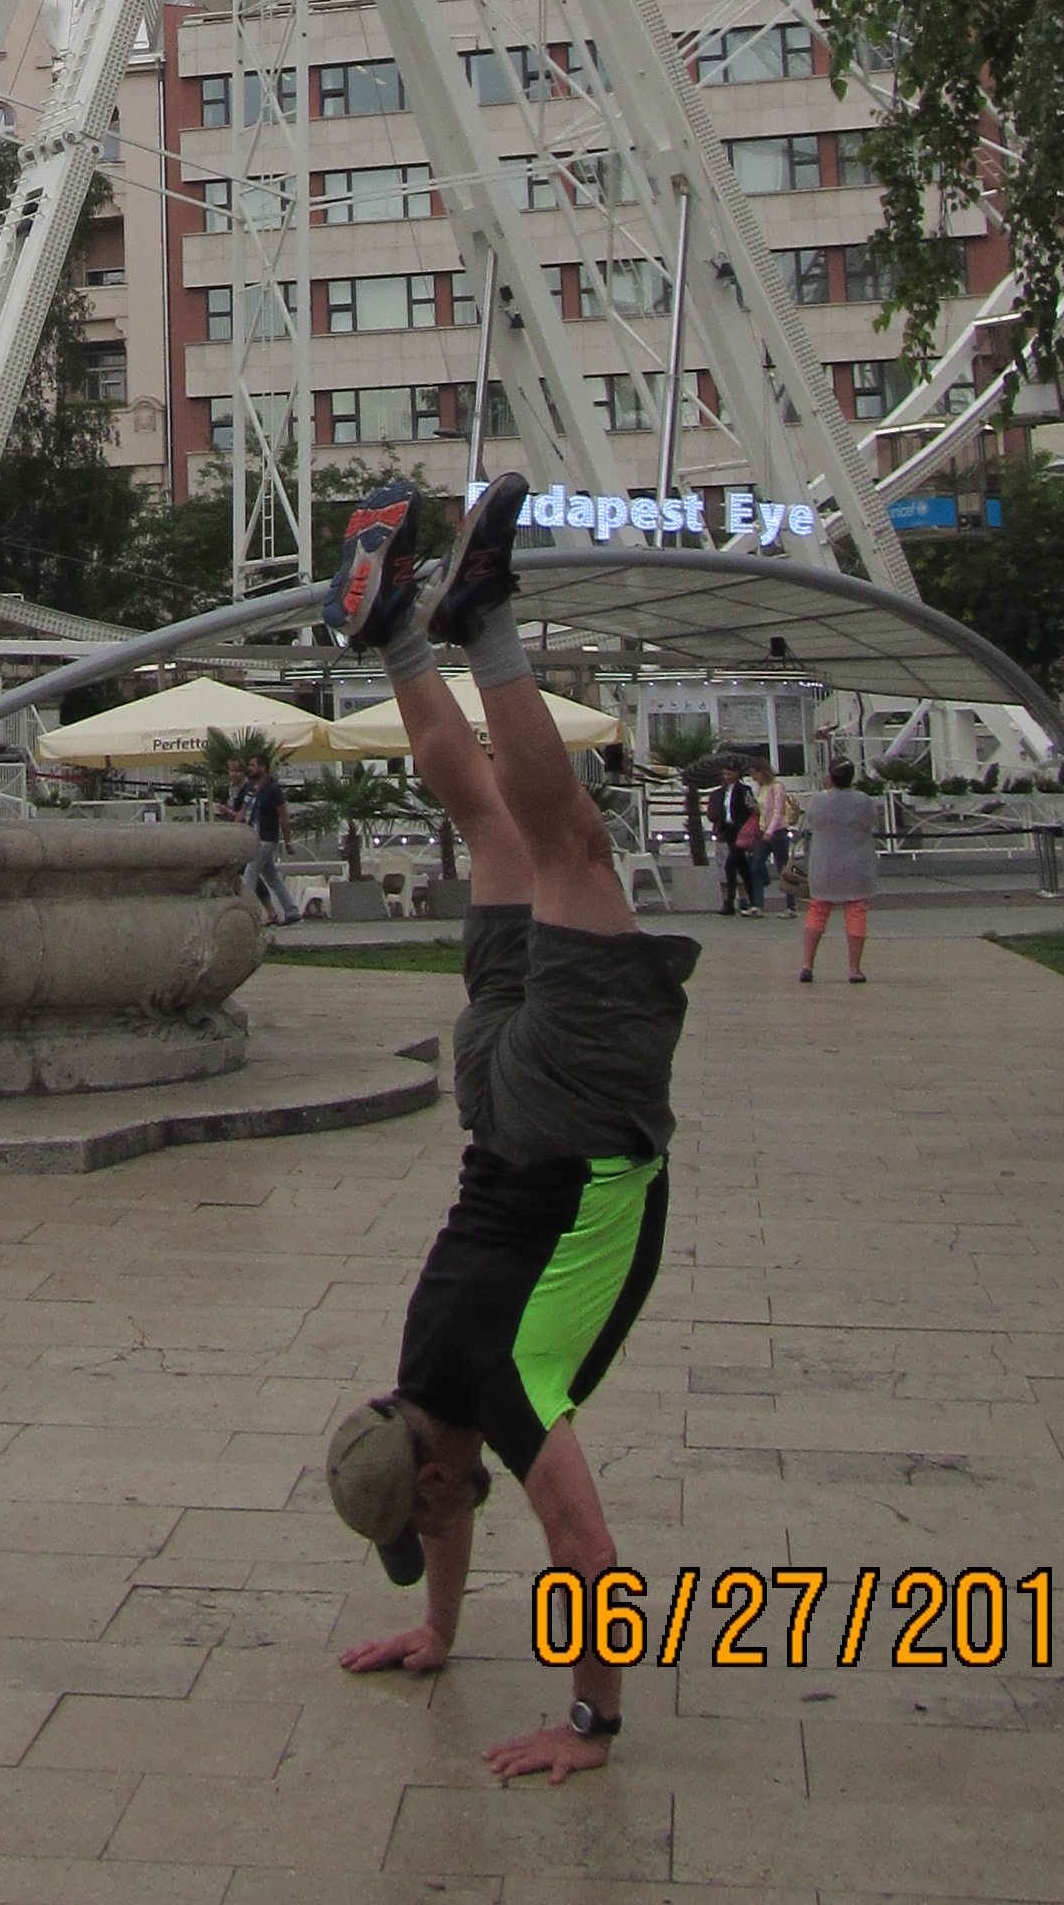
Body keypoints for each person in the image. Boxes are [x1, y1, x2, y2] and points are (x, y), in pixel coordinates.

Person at [320, 474, 699, 1785]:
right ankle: (398, 638)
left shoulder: (504, 1393)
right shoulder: (421, 1365)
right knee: (486, 818)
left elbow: (585, 1552)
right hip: (487, 1097)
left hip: (576, 1122)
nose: (433, 1522)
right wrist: (435, 1633)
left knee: (571, 849)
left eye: (421, 1516)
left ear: (433, 1478)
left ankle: (482, 625)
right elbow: (450, 1498)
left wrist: (590, 1723)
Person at [797, 755, 877, 981]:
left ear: (830, 776)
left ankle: (807, 964)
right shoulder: (863, 801)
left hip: (824, 864)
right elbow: (871, 823)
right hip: (857, 865)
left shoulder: (819, 801)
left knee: (818, 910)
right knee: (856, 912)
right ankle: (854, 969)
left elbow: (811, 822)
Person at [246, 754, 300, 924]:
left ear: (263, 767)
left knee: (250, 874)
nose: (249, 769)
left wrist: (288, 840)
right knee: (272, 877)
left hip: (266, 839)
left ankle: (246, 912)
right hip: (256, 837)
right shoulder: (254, 789)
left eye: (253, 765)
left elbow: (283, 816)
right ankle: (292, 910)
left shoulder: (272, 789)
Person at [715, 766, 764, 915]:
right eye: (724, 774)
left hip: (741, 831)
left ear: (737, 774)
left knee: (730, 865)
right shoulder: (723, 791)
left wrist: (744, 823)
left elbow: (752, 808)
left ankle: (730, 902)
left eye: (730, 773)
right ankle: (752, 900)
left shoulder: (744, 790)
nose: (727, 777)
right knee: (743, 867)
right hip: (728, 830)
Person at [756, 767, 800, 915]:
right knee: (756, 865)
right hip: (764, 830)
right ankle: (758, 904)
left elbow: (777, 811)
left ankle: (790, 905)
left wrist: (770, 830)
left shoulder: (776, 787)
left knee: (783, 867)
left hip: (778, 831)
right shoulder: (761, 789)